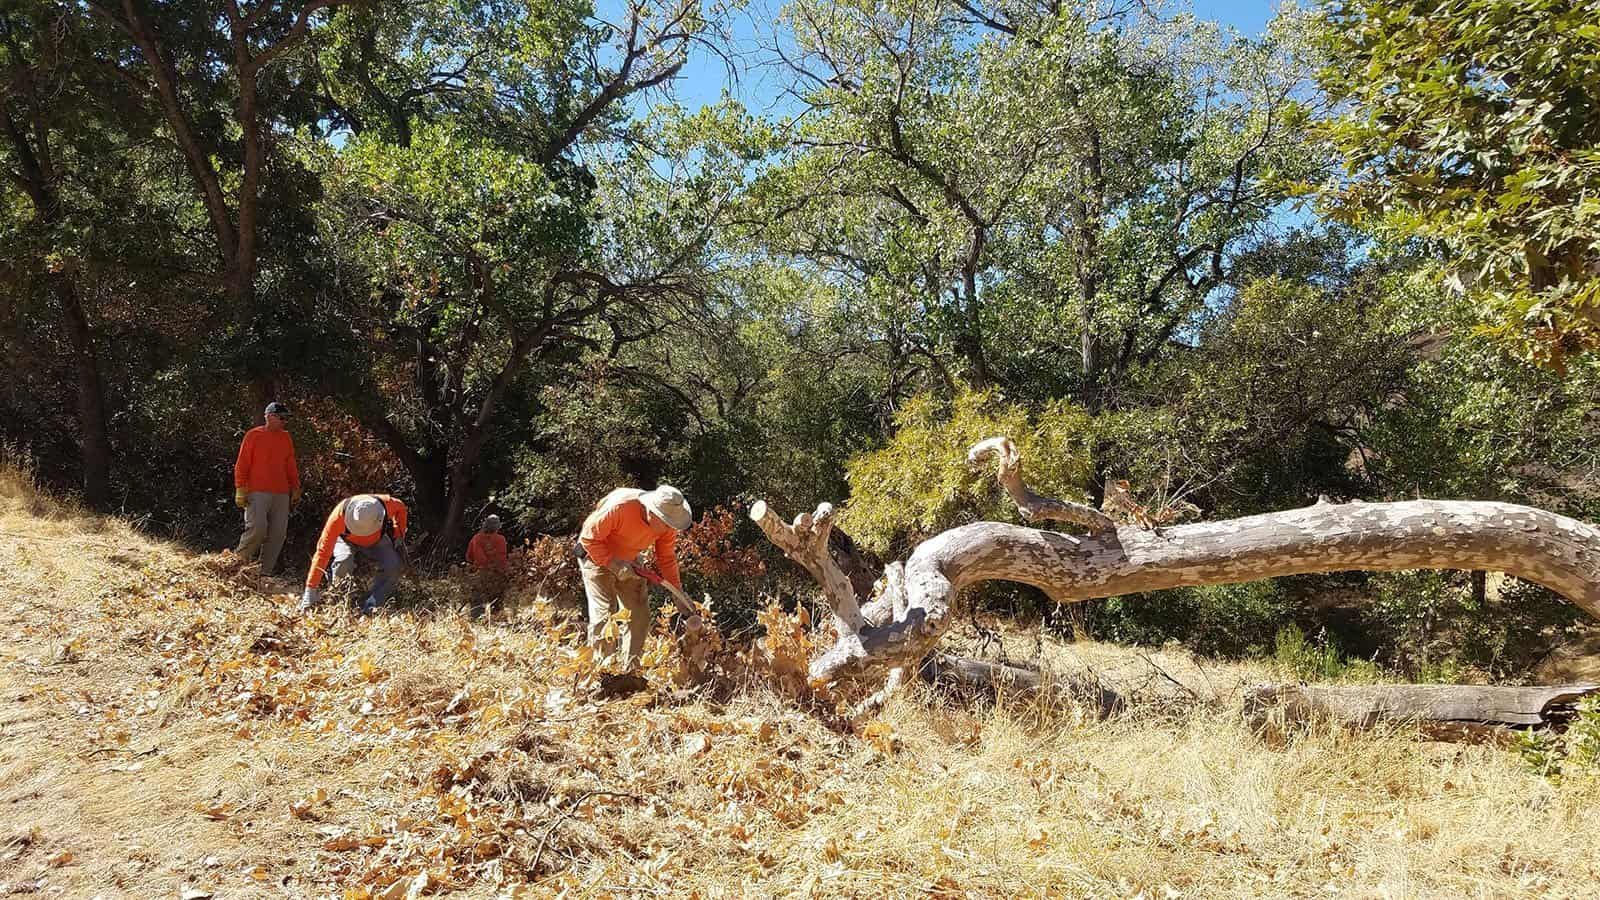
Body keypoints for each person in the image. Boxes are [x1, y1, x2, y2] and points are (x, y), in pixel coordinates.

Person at [577, 484, 691, 665]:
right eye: (664, 522)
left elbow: (666, 558)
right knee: (605, 615)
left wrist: (677, 592)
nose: (667, 529)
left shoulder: (668, 524)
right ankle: (602, 673)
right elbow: (589, 539)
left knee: (639, 615)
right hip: (595, 555)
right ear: (651, 511)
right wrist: (613, 564)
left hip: (629, 558)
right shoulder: (621, 507)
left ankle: (630, 671)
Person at [299, 494, 408, 614]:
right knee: (344, 561)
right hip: (346, 540)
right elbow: (322, 554)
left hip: (378, 540)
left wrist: (399, 533)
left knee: (393, 565)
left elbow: (401, 508)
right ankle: (339, 599)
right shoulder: (337, 517)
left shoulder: (386, 503)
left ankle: (373, 604)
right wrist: (310, 590)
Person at [233, 401, 300, 576]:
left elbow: (290, 464)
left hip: (281, 493)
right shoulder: (253, 435)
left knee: (278, 534)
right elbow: (242, 463)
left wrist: (295, 487)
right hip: (257, 491)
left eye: (286, 418)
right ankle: (234, 566)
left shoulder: (286, 437)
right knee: (257, 528)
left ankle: (263, 575)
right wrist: (240, 488)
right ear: (270, 416)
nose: (285, 421)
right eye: (282, 418)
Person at [465, 514, 510, 617]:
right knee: (497, 603)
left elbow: (469, 557)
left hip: (479, 574)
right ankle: (495, 621)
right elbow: (502, 558)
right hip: (497, 574)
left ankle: (477, 622)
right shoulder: (501, 539)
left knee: (477, 602)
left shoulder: (476, 538)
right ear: (498, 526)